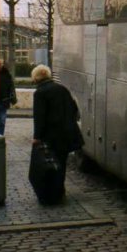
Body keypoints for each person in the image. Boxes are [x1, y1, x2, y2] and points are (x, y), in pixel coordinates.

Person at [31, 64, 82, 195]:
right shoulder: (62, 89)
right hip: (67, 133)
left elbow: (39, 117)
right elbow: (74, 108)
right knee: (62, 162)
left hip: (51, 135)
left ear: (36, 78)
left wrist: (37, 137)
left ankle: (52, 191)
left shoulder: (40, 93)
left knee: (52, 162)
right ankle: (60, 189)